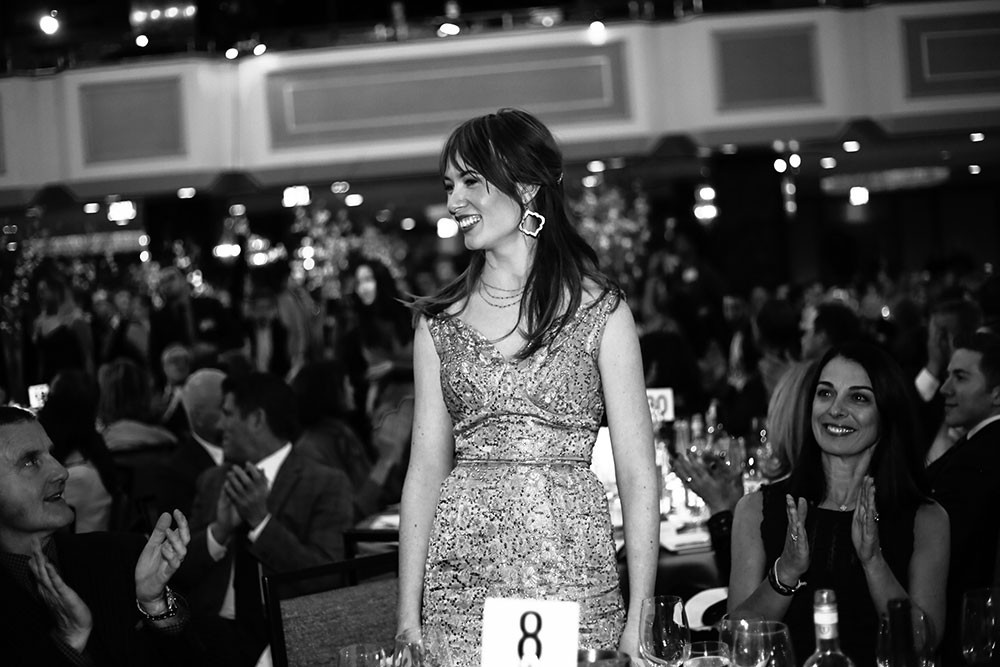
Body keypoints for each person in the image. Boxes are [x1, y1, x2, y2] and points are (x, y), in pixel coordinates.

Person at [397, 108, 659, 664]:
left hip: (574, 578)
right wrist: (407, 618)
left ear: (527, 187)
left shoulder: (602, 312)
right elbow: (424, 468)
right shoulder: (438, 322)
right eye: (449, 185)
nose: (453, 203)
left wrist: (642, 615)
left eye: (471, 181)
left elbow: (638, 476)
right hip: (461, 592)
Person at [729, 342, 949, 667]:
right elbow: (736, 640)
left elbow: (922, 645)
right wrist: (785, 572)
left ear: (887, 413)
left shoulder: (925, 519)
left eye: (858, 397)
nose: (835, 409)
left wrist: (874, 562)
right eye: (825, 393)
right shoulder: (757, 509)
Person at [173, 372, 354, 667]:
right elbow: (178, 571)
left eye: (228, 413)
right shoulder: (213, 480)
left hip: (288, 634)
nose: (220, 425)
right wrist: (218, 532)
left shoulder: (325, 483)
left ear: (257, 419)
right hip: (210, 634)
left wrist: (261, 523)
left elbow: (327, 577)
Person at [0, 406, 200, 666]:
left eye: (51, 454)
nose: (61, 471)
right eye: (30, 461)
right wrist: (67, 643)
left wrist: (156, 606)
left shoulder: (120, 556)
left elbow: (192, 657)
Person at [926, 332, 1000, 666]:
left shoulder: (979, 458)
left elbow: (942, 554)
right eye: (947, 376)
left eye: (960, 377)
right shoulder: (975, 444)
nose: (944, 388)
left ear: (997, 393)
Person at [36, 370, 119, 533]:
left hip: (79, 553)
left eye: (49, 399)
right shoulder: (92, 450)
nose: (42, 409)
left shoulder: (74, 476)